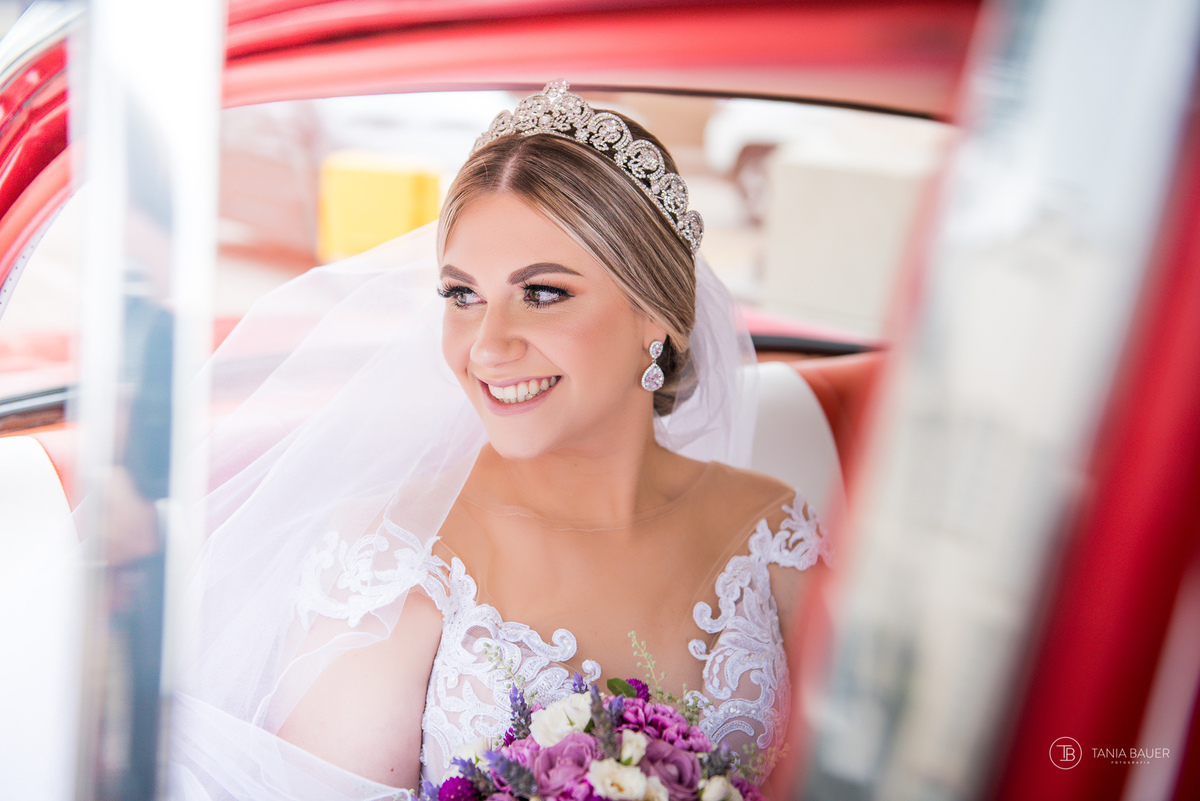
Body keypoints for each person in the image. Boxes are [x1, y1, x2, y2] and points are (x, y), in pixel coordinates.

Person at [170, 82, 830, 800]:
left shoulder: (773, 536)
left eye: (543, 293)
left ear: (658, 316)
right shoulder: (396, 560)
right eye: (462, 296)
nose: (487, 347)